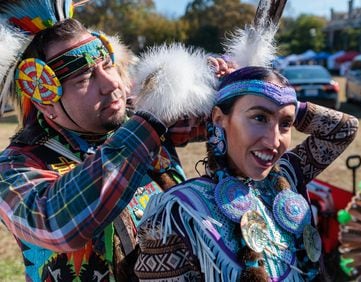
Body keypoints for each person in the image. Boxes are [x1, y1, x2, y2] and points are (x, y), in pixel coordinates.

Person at [0, 1, 229, 280]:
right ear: (44, 97)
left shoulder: (138, 119)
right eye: (84, 77)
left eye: (107, 65)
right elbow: (54, 223)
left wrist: (233, 89)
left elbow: (224, 121)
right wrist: (149, 124)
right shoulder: (14, 167)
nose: (111, 83)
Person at [134, 66, 359, 281]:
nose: (274, 141)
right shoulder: (180, 212)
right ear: (219, 119)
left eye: (285, 124)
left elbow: (344, 129)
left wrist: (282, 99)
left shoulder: (287, 175)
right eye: (259, 118)